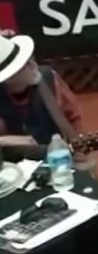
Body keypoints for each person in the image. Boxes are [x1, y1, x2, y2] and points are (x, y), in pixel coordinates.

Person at [0, 31, 83, 159]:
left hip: (58, 158)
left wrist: (79, 152)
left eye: (30, 59)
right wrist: (7, 141)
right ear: (10, 78)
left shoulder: (48, 78)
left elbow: (73, 116)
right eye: (24, 64)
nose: (34, 65)